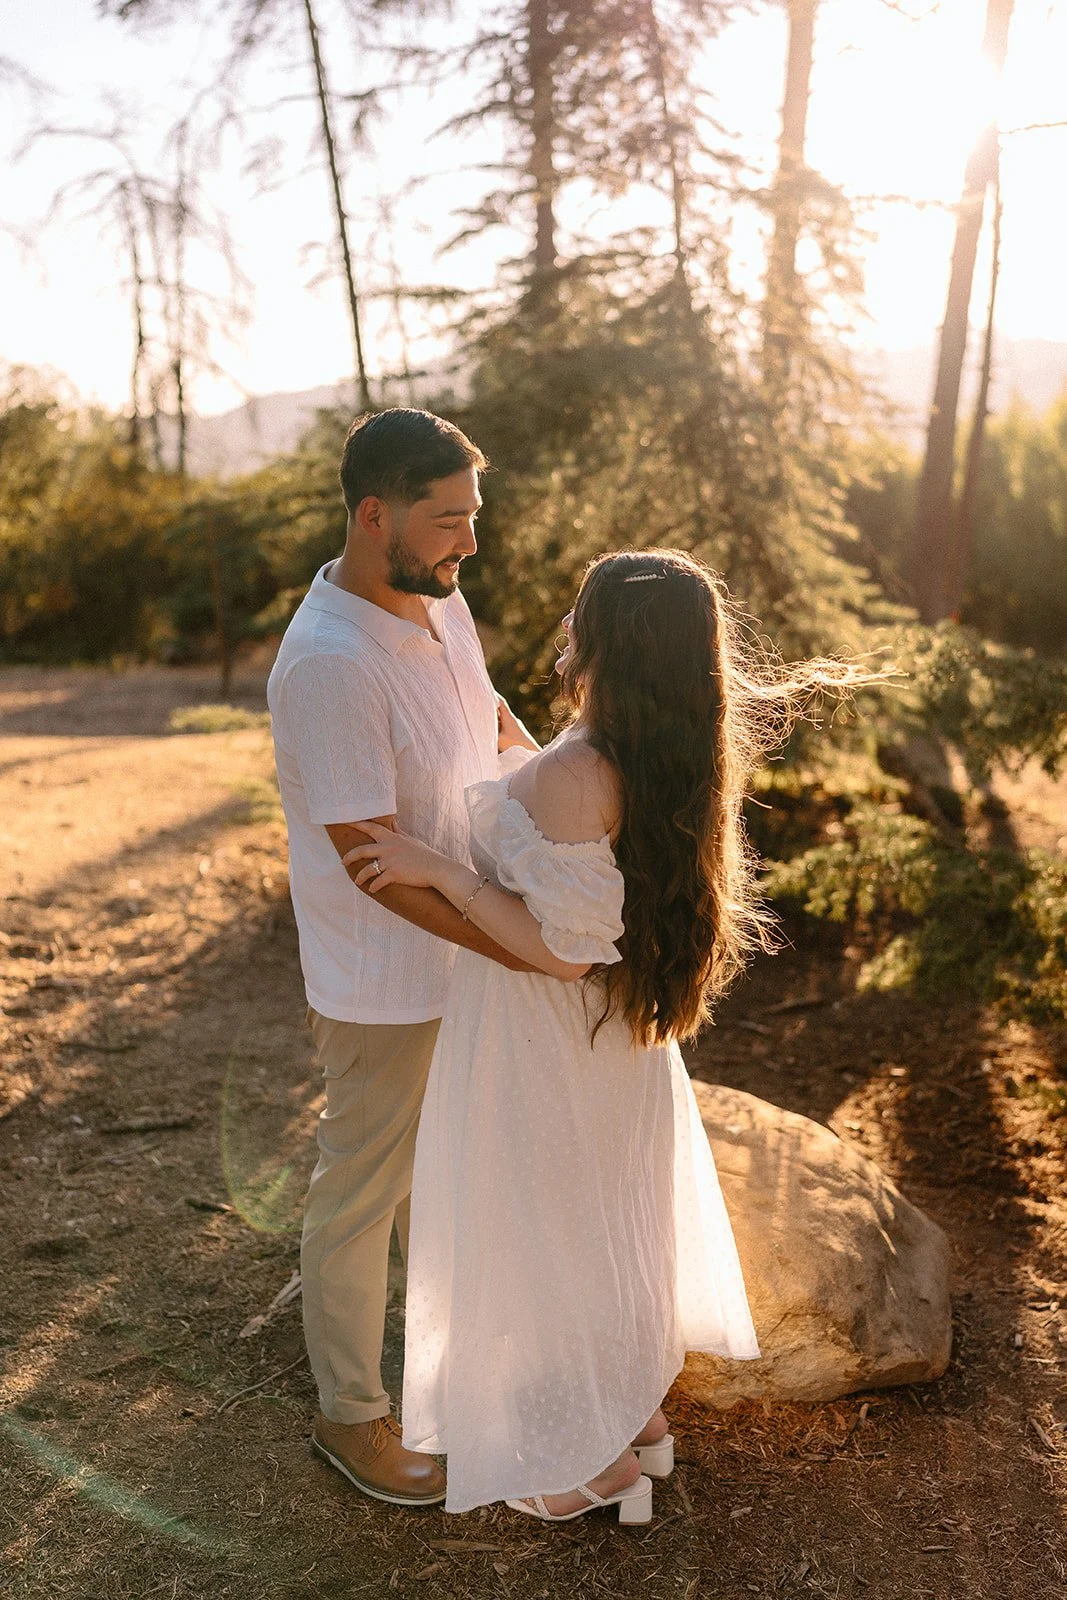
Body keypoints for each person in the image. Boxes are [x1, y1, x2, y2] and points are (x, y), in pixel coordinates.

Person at [343, 546, 827, 1522]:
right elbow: (580, 842)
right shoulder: (667, 751)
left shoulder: (576, 770)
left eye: (579, 615)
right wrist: (516, 740)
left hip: (544, 1031)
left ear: (607, 641)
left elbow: (563, 947)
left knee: (547, 1231)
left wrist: (440, 871)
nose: (564, 630)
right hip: (620, 1042)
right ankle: (637, 1424)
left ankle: (585, 1466)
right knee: (605, 1221)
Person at [266, 408, 539, 1507]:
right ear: (373, 515)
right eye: (446, 521)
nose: (467, 542)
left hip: (470, 950)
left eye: (471, 518)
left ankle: (448, 1384)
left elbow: (485, 713)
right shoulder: (327, 666)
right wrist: (513, 944)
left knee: (450, 1179)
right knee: (361, 1192)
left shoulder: (437, 596)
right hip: (386, 983)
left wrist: (552, 771)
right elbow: (369, 865)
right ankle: (350, 1418)